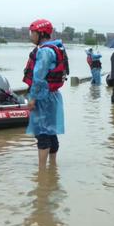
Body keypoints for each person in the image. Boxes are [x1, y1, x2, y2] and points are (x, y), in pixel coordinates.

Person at [23, 19, 68, 170]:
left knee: (42, 132)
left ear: (41, 33)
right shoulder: (56, 47)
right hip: (53, 96)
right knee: (51, 131)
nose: (31, 36)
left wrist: (33, 98)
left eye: (33, 33)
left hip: (43, 97)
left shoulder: (44, 51)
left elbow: (38, 77)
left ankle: (42, 170)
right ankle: (53, 167)